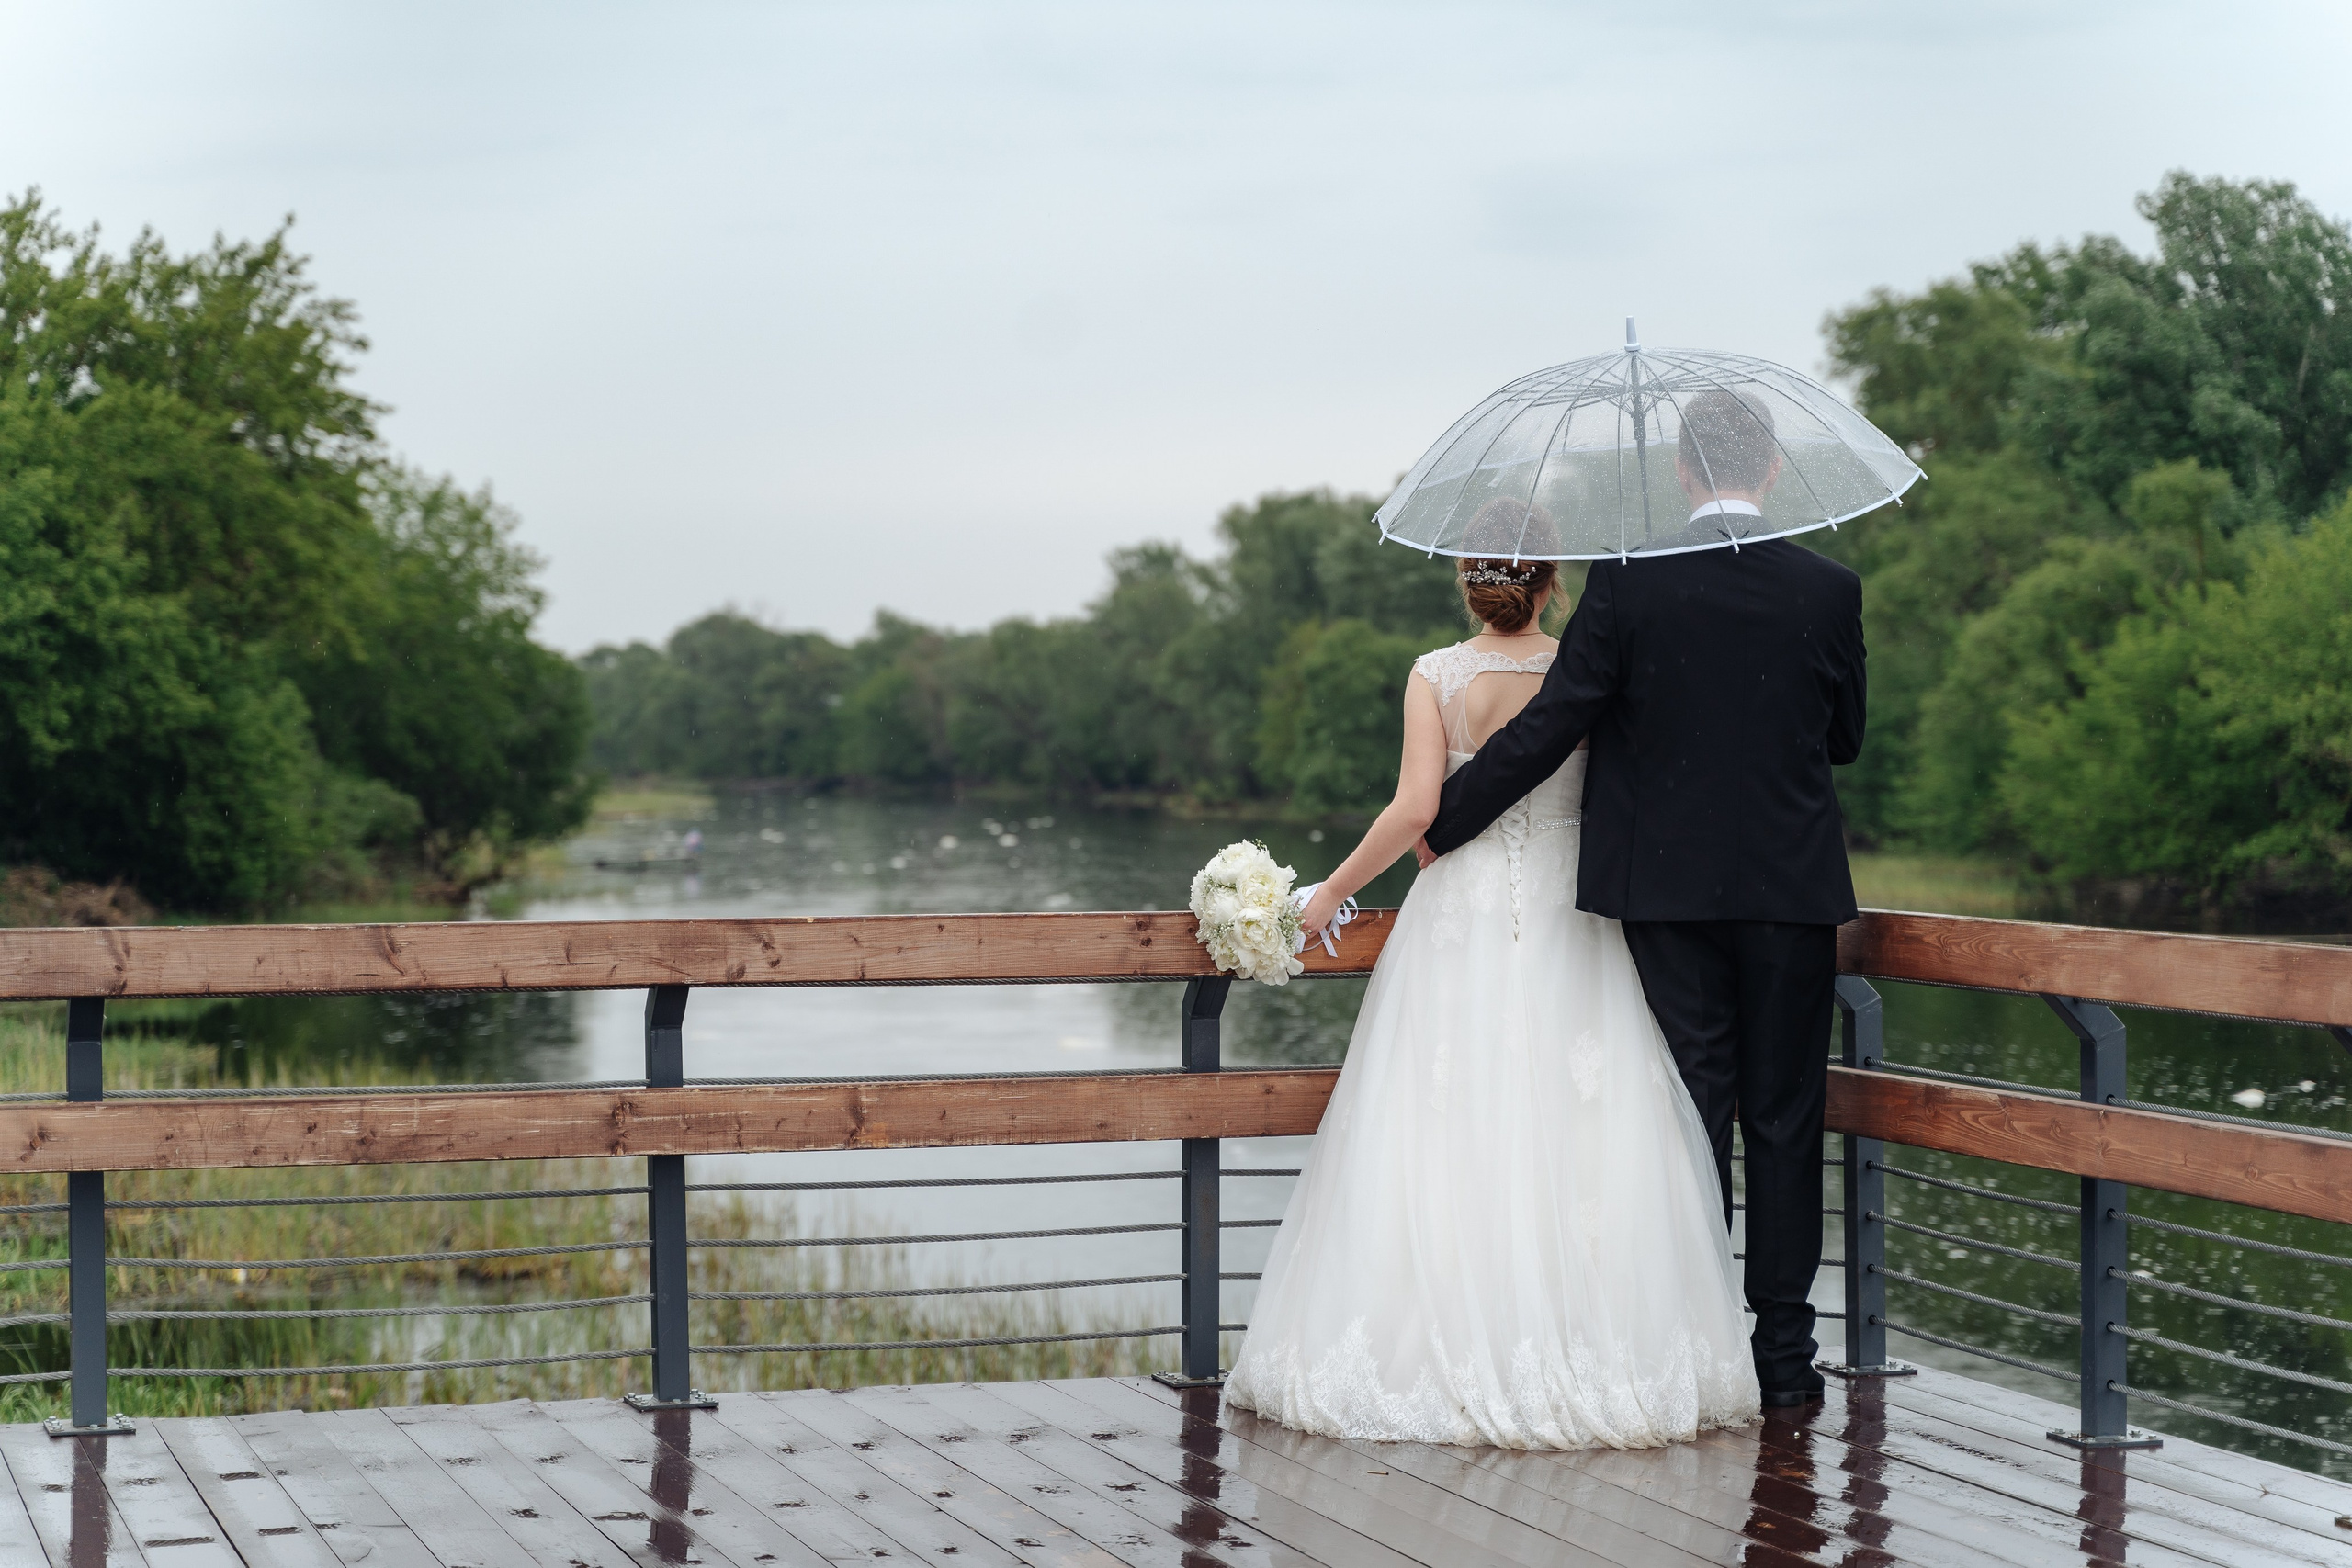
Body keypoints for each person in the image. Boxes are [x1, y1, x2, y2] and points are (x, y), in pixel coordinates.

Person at [1221, 499, 1759, 1450]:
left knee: (1440, 1117)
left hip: (1459, 911)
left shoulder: (1435, 676)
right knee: (1584, 1118)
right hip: (1571, 907)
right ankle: (1605, 1341)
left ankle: (1432, 1341)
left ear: (1466, 580)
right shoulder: (1590, 669)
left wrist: (1328, 896)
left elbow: (1415, 810)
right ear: (1552, 582)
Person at [1419, 388, 1868, 1409]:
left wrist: (1442, 822)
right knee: (1788, 1120)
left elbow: (1550, 726)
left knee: (1688, 1113)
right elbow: (1844, 738)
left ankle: (1694, 1347)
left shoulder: (1629, 584)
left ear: (1680, 471)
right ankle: (1786, 1364)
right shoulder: (1828, 588)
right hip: (1791, 892)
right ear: (1768, 468)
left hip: (1662, 890)